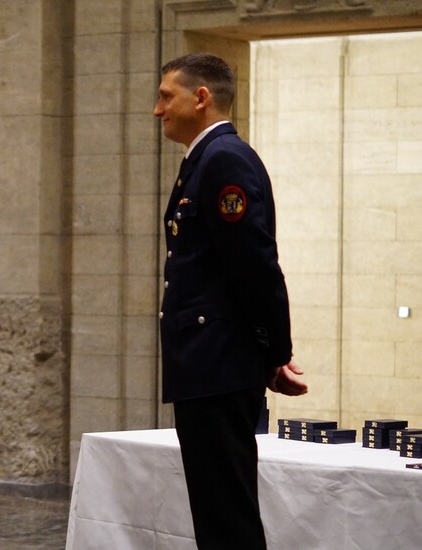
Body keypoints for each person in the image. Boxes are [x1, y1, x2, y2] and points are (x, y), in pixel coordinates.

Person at [153, 53, 308, 549]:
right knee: (216, 511)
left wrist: (275, 355)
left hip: (217, 361)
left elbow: (256, 266)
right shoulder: (204, 159)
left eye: (165, 96)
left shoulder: (223, 159)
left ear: (200, 98)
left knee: (226, 515)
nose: (158, 110)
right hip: (207, 361)